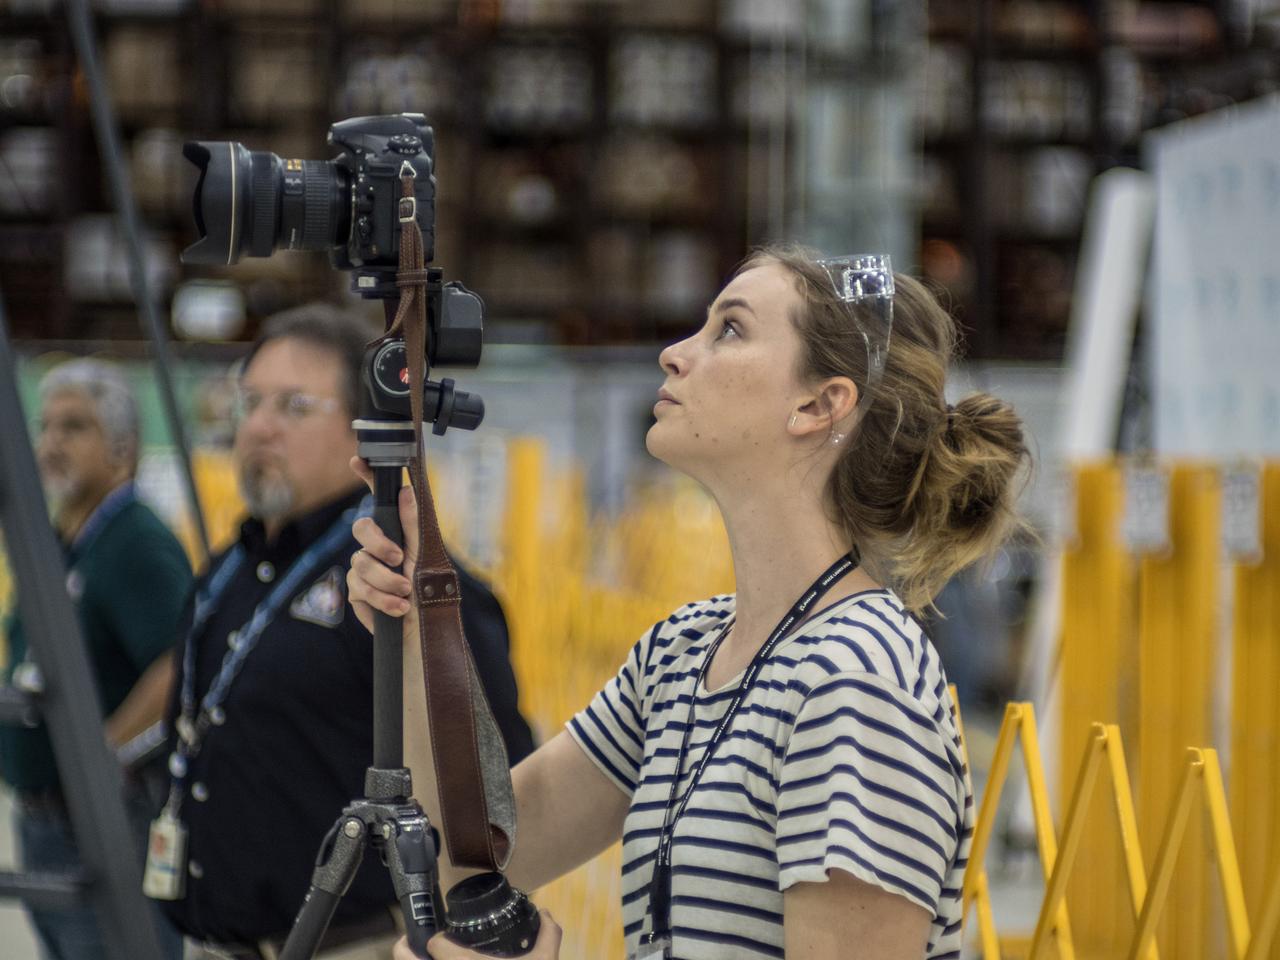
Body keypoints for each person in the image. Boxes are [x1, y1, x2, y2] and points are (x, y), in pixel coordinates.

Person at [350, 244, 1032, 960]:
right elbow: (481, 858)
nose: (674, 354)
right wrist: (417, 625)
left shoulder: (856, 680)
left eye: (729, 329)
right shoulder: (683, 650)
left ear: (819, 404)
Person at [157, 304, 535, 960]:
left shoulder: (402, 582)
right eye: (250, 402)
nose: (260, 427)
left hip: (352, 945)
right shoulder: (232, 567)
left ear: (366, 428)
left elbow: (503, 785)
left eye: (294, 406)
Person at [2, 358, 191, 960]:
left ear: (122, 447)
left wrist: (100, 757)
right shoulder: (62, 540)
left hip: (104, 821)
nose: (51, 443)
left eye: (74, 427)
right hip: (48, 819)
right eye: (46, 426)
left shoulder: (136, 542)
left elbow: (178, 662)